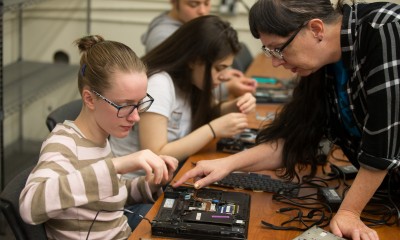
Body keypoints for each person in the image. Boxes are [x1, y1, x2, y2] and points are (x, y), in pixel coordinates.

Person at [174, 1, 400, 240]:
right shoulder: (325, 63)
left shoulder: (385, 28)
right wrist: (227, 164)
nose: (275, 61)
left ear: (316, 29)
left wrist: (349, 211)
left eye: (279, 49)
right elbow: (297, 140)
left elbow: (384, 143)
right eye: (269, 51)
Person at [19, 35, 179, 240]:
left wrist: (153, 183)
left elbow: (110, 195)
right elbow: (29, 205)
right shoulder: (63, 143)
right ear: (90, 99)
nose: (136, 116)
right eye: (125, 106)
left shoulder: (101, 138)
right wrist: (116, 166)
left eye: (139, 104)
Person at [110, 15, 256, 177]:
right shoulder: (158, 84)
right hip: (134, 188)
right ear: (193, 60)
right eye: (219, 68)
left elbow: (207, 111)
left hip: (165, 177)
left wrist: (234, 106)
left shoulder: (190, 81)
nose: (224, 76)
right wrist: (212, 130)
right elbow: (156, 154)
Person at [141, 0, 257, 100]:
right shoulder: (162, 37)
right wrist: (228, 87)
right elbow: (181, 89)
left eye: (207, 3)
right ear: (174, 2)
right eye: (193, 4)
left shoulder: (186, 23)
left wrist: (220, 70)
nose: (202, 11)